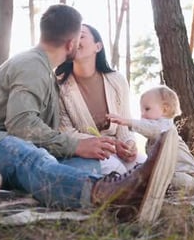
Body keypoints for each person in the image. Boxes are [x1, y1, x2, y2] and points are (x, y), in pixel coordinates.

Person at [0, 4, 170, 220]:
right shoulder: (31, 65)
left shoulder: (47, 71)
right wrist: (76, 144)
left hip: (4, 152)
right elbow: (22, 126)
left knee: (83, 163)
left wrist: (81, 149)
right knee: (21, 150)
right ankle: (108, 196)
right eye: (78, 39)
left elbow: (48, 135)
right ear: (70, 44)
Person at [55, 24, 146, 175]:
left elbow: (125, 124)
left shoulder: (117, 80)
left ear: (98, 47)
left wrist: (129, 144)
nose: (75, 40)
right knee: (116, 170)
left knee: (145, 166)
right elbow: (66, 132)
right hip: (84, 152)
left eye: (81, 36)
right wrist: (109, 145)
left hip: (116, 149)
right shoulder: (59, 85)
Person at [108, 85, 194, 195]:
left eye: (147, 109)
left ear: (164, 109)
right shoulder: (152, 139)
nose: (142, 114)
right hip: (171, 174)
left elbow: (152, 128)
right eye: (141, 110)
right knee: (150, 175)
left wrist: (127, 121)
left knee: (168, 180)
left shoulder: (166, 127)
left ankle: (155, 188)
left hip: (189, 176)